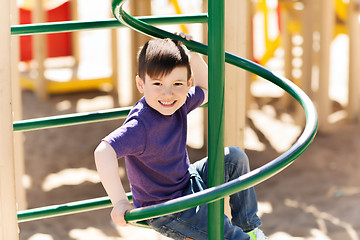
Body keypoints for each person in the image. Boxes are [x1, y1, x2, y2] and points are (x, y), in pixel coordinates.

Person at [94, 33, 267, 240]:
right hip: (167, 210)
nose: (168, 94)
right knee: (223, 232)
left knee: (234, 158)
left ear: (188, 83)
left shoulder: (181, 102)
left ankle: (249, 229)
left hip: (188, 182)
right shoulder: (140, 126)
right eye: (157, 84)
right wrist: (120, 202)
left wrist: (192, 54)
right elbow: (103, 151)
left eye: (177, 84)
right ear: (141, 85)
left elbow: (208, 88)